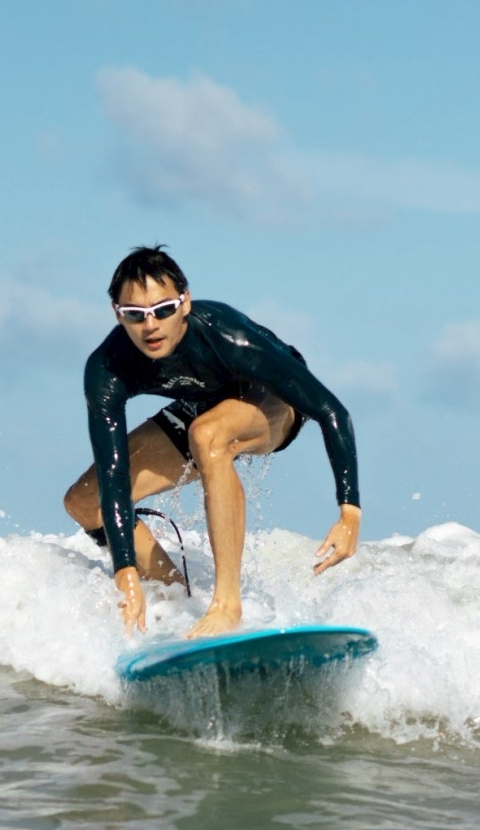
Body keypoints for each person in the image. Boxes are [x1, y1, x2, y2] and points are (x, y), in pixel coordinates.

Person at [65, 245, 361, 637]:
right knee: (86, 502)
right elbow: (113, 472)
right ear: (117, 315)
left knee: (209, 435)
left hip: (273, 400)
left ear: (184, 302)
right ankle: (173, 603)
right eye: (134, 315)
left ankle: (227, 606)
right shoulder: (107, 368)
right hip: (200, 404)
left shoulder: (228, 336)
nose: (151, 325)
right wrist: (125, 573)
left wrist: (349, 512)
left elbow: (332, 410)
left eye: (164, 309)